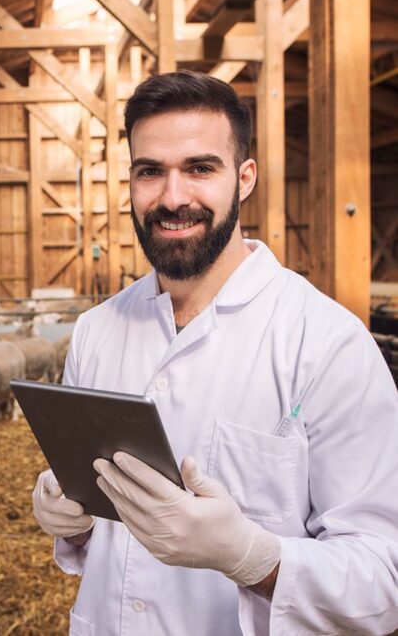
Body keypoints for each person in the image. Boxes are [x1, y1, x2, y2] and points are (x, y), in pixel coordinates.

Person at [31, 71, 398, 635]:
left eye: (200, 168)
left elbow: (384, 580)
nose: (173, 197)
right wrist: (72, 519)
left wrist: (251, 556)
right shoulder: (96, 331)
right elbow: (101, 535)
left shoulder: (327, 345)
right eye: (150, 172)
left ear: (244, 178)